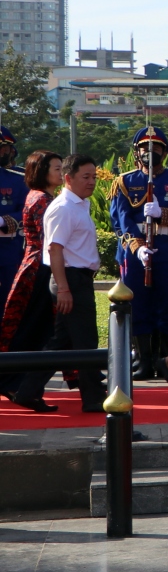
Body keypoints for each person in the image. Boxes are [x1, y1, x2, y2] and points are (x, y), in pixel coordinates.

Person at [10, 154, 106, 414]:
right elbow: (54, 250)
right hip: (69, 278)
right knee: (86, 342)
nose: (92, 182)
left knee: (60, 342)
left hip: (77, 278)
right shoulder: (63, 207)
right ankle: (94, 397)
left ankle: (27, 391)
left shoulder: (78, 204)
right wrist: (63, 287)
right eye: (85, 177)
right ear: (68, 178)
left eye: (94, 177)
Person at [110, 127, 168, 383]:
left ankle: (163, 358)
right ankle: (142, 359)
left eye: (156, 149)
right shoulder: (125, 181)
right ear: (136, 152)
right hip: (137, 249)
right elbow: (120, 219)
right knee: (138, 302)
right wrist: (138, 246)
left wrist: (165, 213)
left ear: (165, 152)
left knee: (167, 301)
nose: (150, 153)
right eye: (144, 148)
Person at [0, 150, 62, 397]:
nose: (61, 172)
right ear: (42, 172)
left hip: (38, 264)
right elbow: (52, 240)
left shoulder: (42, 197)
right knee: (35, 327)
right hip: (41, 267)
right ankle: (17, 383)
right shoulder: (42, 201)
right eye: (56, 168)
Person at [0, 127, 27, 313]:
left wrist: (3, 221)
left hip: (9, 247)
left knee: (10, 302)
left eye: (3, 148)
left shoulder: (21, 178)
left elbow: (30, 210)